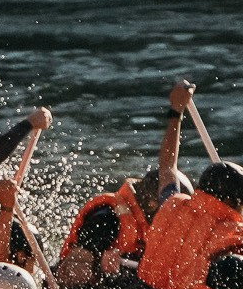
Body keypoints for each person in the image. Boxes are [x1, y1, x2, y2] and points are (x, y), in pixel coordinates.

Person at [55, 79, 195, 274]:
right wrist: (102, 271)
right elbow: (67, 276)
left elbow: (168, 167)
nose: (176, 218)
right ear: (153, 205)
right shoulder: (105, 219)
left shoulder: (161, 221)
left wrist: (177, 112)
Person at [136, 159, 243, 289]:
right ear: (228, 201)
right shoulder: (235, 234)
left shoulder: (172, 203)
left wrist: (173, 135)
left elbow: (167, 168)